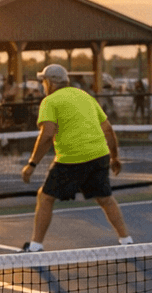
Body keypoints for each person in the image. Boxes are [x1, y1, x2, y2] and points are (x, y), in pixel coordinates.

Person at [18, 63, 132, 252]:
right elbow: (108, 130)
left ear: (51, 83)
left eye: (44, 81)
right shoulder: (86, 97)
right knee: (105, 199)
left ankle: (35, 247)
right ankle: (127, 241)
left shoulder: (50, 101)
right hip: (99, 155)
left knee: (45, 198)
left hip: (71, 160)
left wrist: (31, 164)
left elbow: (47, 135)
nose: (43, 85)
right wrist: (114, 158)